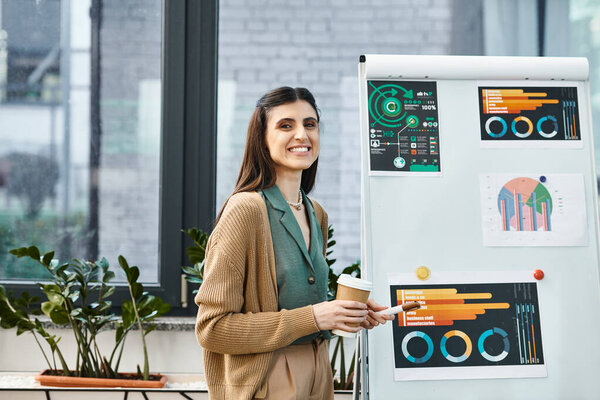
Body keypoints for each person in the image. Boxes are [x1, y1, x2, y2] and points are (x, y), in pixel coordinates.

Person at [195, 87, 394, 400]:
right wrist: (314, 317)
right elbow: (213, 328)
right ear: (261, 138)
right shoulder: (245, 210)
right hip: (266, 378)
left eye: (310, 124)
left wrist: (344, 313)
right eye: (286, 125)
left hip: (318, 373)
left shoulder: (316, 213)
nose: (302, 134)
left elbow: (305, 305)